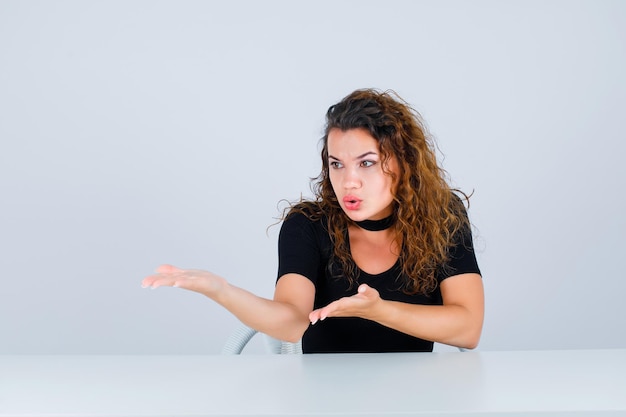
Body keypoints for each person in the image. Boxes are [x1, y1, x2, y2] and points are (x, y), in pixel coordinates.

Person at [141, 88, 484, 353]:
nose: (348, 181)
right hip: (323, 398)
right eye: (337, 164)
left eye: (365, 163)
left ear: (403, 162)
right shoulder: (307, 225)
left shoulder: (443, 215)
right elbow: (290, 322)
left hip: (419, 397)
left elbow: (469, 329)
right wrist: (222, 291)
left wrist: (379, 311)